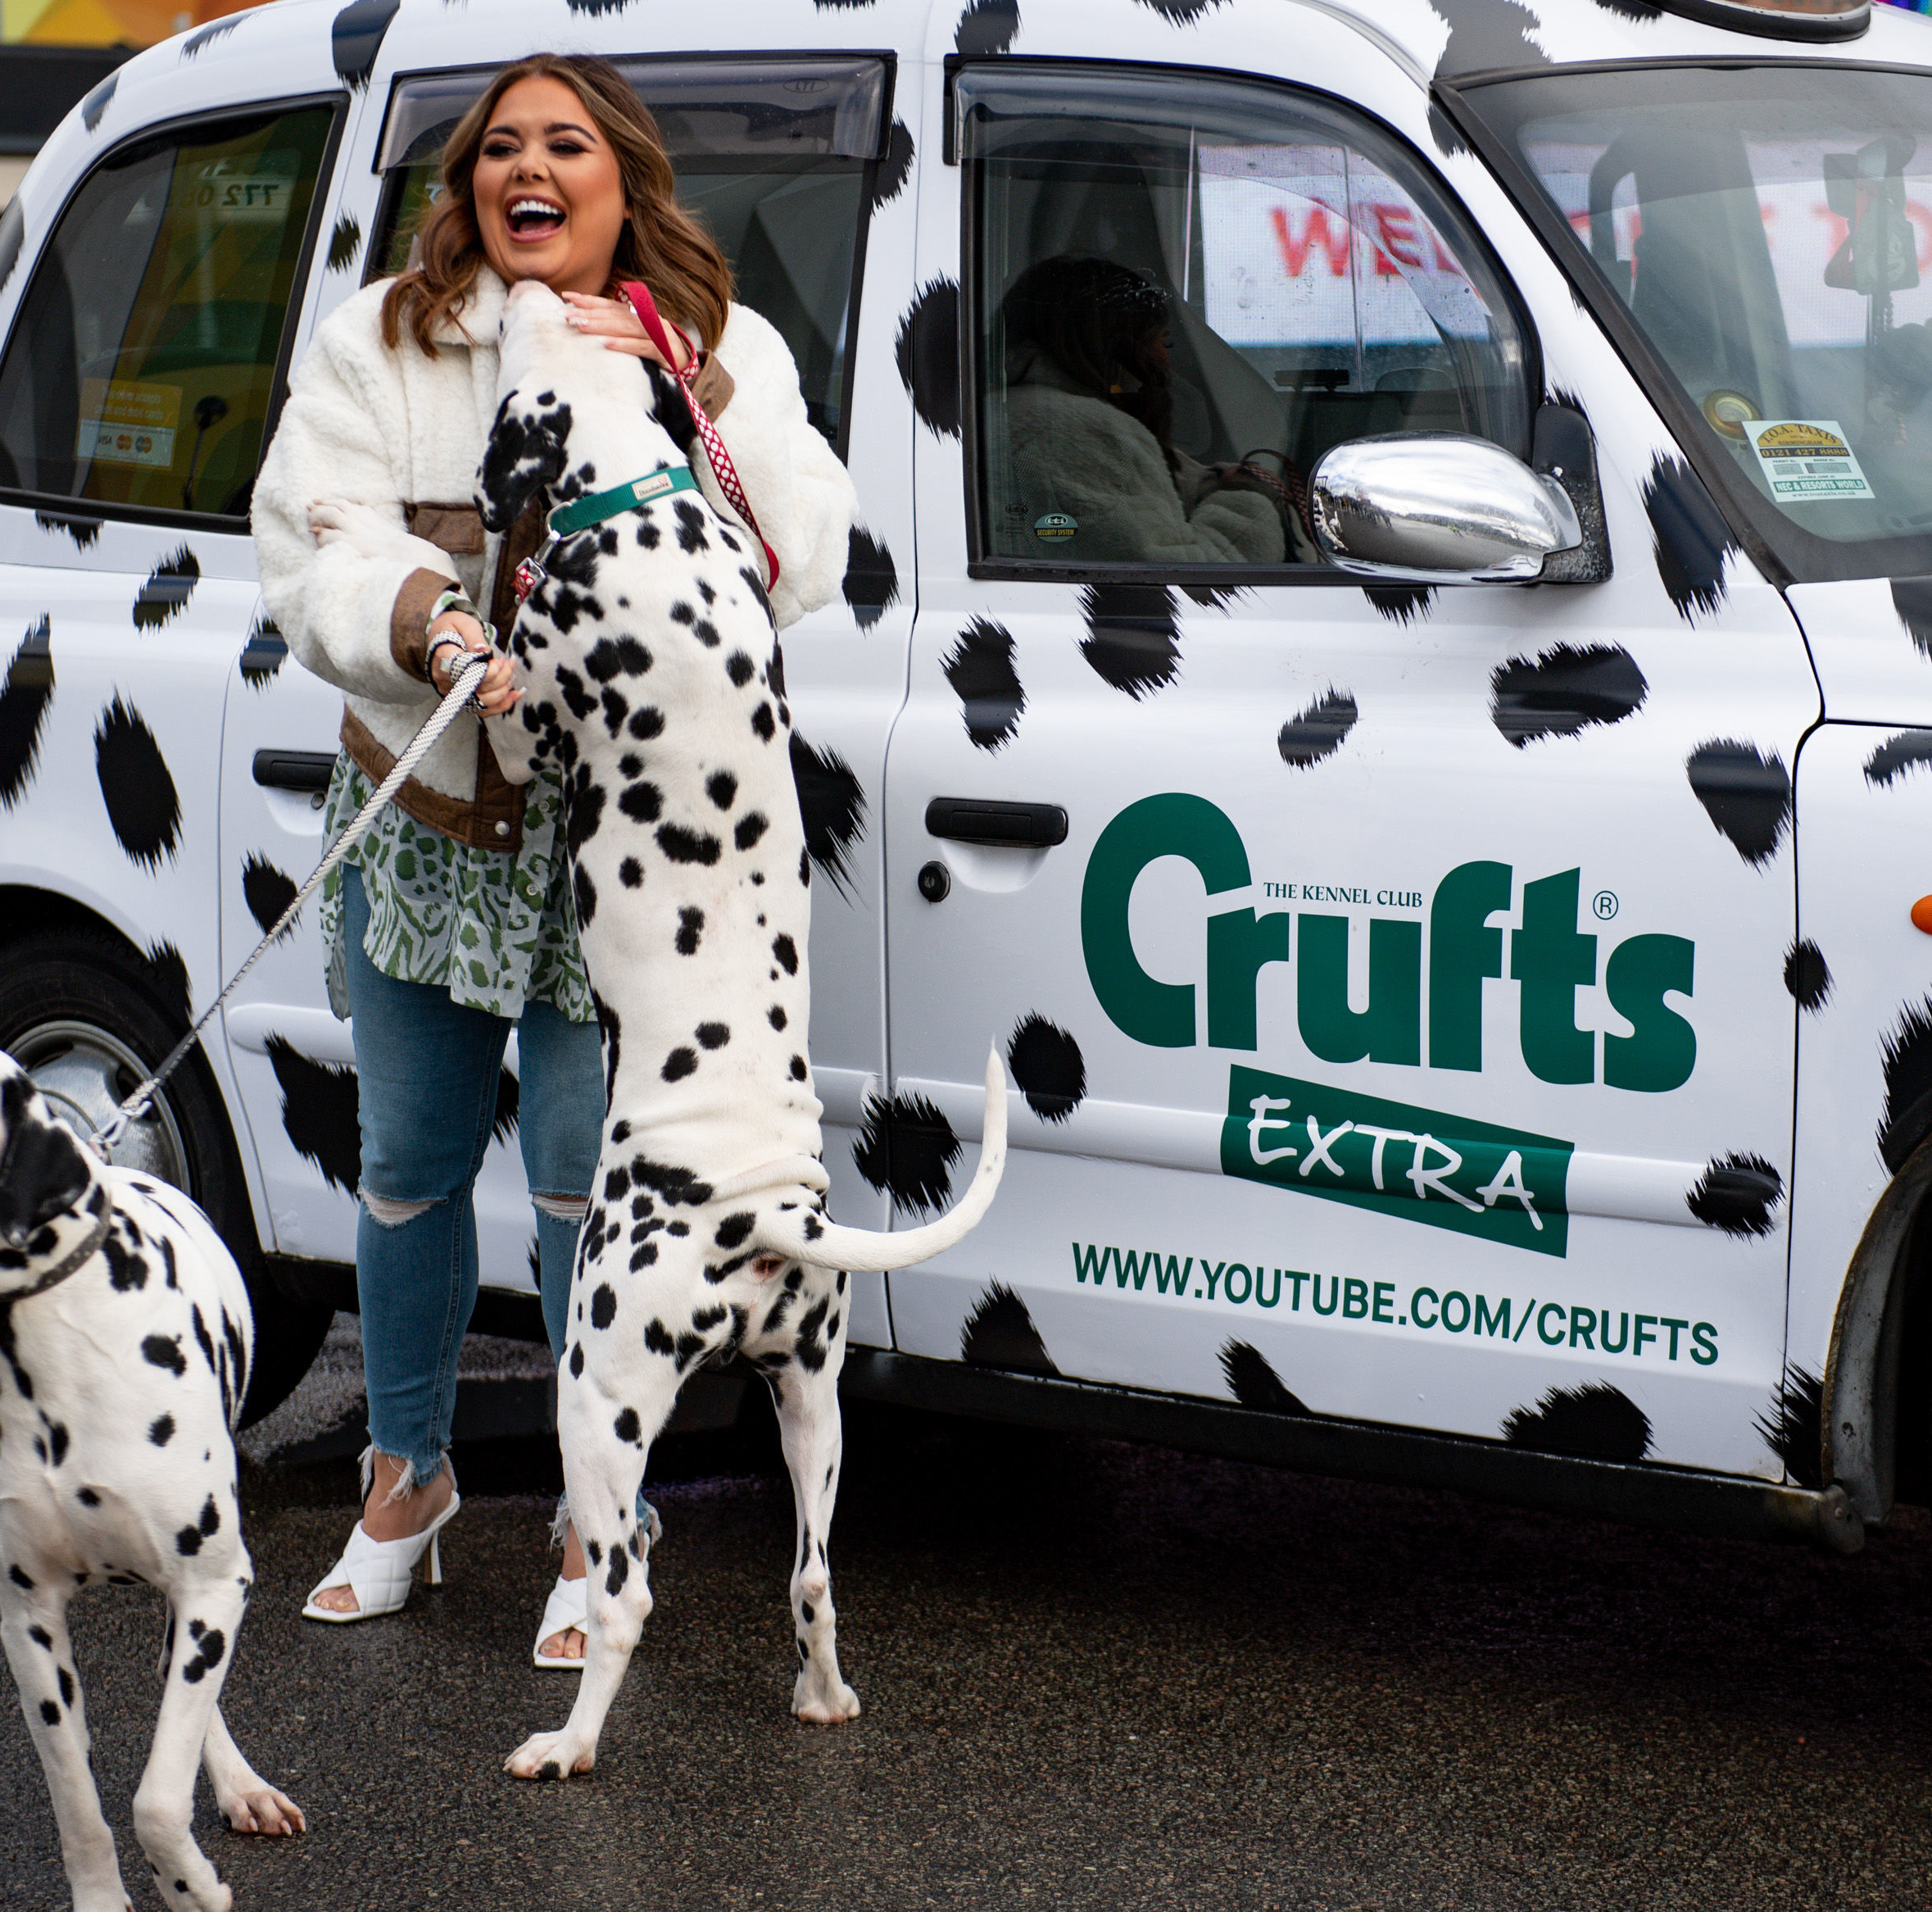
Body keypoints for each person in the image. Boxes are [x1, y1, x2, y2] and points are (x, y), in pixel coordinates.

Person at [251, 52, 854, 1660]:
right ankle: (406, 1473)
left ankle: (603, 1512)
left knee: (594, 1180)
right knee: (406, 1164)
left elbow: (803, 550)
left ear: (623, 178)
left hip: (632, 851)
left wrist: (692, 394)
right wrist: (428, 622)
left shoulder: (716, 343)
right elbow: (315, 539)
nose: (529, 168)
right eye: (499, 146)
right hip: (434, 824)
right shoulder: (380, 341)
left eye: (565, 143)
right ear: (467, 185)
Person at [990, 255, 1289, 565]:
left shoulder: (1042, 415)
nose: (1166, 360)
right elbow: (1183, 574)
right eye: (1162, 341)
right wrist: (1251, 503)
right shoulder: (1071, 431)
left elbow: (1138, 500)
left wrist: (1215, 481)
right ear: (1113, 346)